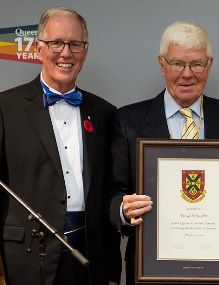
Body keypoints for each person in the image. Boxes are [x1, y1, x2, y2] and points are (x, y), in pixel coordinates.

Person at [106, 21, 219, 285]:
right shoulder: (128, 120)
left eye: (197, 64)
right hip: (150, 269)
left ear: (209, 65)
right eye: (177, 63)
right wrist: (123, 209)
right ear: (162, 64)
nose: (187, 74)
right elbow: (111, 193)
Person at [0, 7, 121, 285]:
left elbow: (111, 191)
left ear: (85, 51)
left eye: (75, 44)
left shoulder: (105, 113)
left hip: (91, 253)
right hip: (28, 254)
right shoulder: (6, 108)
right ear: (39, 48)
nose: (66, 53)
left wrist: (113, 271)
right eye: (56, 43)